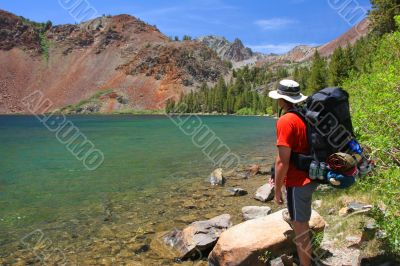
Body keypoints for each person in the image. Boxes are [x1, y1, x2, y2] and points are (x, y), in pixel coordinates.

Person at [268, 79, 318, 266]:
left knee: (300, 229)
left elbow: (282, 161)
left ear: (282, 100)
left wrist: (278, 189)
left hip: (298, 183)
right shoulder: (304, 116)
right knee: (301, 222)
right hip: (310, 176)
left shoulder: (286, 120)